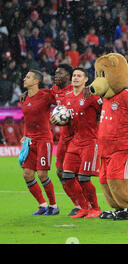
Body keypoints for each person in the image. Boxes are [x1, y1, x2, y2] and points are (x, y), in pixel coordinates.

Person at [57, 67, 102, 219]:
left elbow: (103, 110)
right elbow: (66, 118)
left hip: (90, 141)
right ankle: (83, 207)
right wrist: (58, 120)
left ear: (85, 80)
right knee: (67, 176)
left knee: (84, 178)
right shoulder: (67, 97)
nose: (75, 78)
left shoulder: (91, 95)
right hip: (74, 142)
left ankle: (96, 208)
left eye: (79, 76)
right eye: (74, 75)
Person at [20, 70, 59, 215]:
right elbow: (27, 120)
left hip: (44, 140)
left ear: (36, 81)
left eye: (28, 77)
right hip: (30, 141)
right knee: (27, 174)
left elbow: (61, 101)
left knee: (42, 174)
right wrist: (24, 135)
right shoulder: (24, 98)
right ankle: (42, 205)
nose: (24, 79)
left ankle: (53, 206)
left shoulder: (45, 95)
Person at [51, 64, 86, 216]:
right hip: (64, 138)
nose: (56, 76)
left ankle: (86, 205)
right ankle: (77, 204)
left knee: (75, 174)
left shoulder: (78, 90)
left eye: (60, 73)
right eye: (56, 73)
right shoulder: (55, 90)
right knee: (60, 172)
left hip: (78, 136)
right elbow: (42, 97)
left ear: (68, 76)